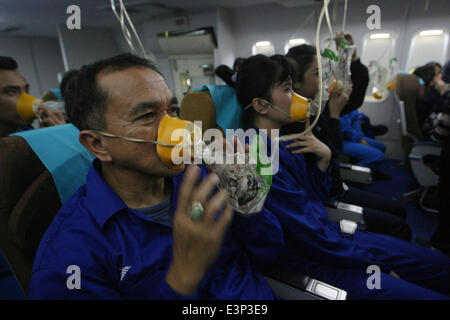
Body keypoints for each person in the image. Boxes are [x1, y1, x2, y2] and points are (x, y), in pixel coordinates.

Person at [28, 53, 285, 299]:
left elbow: (270, 253)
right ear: (98, 144)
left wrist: (248, 202)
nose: (180, 128)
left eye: (172, 111)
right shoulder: (70, 257)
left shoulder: (205, 178)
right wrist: (182, 276)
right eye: (148, 115)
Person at [233, 54, 450, 299]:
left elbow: (314, 198)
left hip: (332, 238)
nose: (298, 97)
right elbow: (306, 231)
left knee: (441, 266)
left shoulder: (280, 144)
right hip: (317, 258)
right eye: (287, 90)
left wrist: (323, 159)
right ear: (261, 105)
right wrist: (372, 265)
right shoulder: (256, 155)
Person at [285, 42, 411, 240]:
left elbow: (356, 97)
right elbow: (333, 154)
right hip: (330, 194)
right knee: (399, 225)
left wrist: (352, 58)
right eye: (318, 74)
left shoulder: (317, 104)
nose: (325, 80)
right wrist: (334, 116)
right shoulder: (294, 120)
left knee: (399, 211)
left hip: (338, 185)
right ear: (297, 82)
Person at [0, 56, 64, 138]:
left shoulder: (25, 130)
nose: (28, 98)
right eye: (12, 91)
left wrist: (54, 136)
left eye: (26, 89)